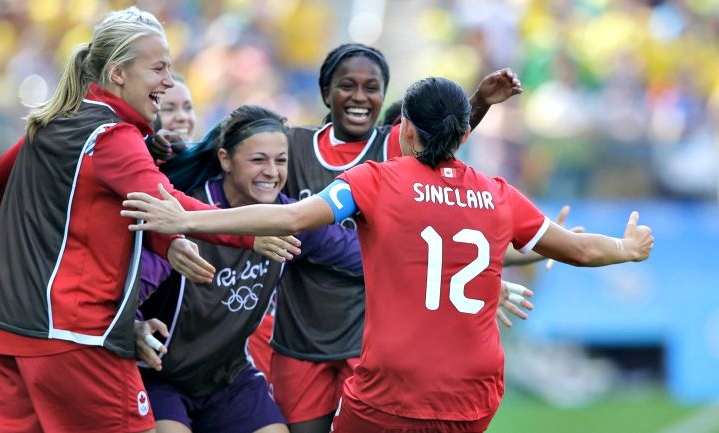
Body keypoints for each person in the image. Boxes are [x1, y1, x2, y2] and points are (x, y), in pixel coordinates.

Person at [121, 76, 653, 433]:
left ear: (404, 129)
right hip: (475, 391)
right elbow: (581, 249)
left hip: (390, 390)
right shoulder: (498, 194)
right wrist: (627, 249)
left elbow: (289, 217)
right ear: (465, 133)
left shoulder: (376, 181)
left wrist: (184, 219)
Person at [0, 8, 298, 433]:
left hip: (3, 333)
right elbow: (168, 204)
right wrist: (249, 233)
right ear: (119, 73)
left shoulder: (55, 122)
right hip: (76, 339)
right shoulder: (113, 137)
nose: (168, 80)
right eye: (159, 68)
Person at [274, 43, 523, 433]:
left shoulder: (390, 150)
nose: (360, 96)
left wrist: (480, 101)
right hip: (301, 334)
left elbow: (441, 138)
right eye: (347, 85)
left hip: (368, 343)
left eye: (372, 87)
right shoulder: (292, 146)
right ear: (326, 92)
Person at [135, 105, 365, 433]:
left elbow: (359, 255)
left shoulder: (291, 218)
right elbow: (134, 282)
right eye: (258, 160)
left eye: (280, 160)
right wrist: (134, 326)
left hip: (230, 380)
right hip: (162, 377)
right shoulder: (187, 212)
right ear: (225, 160)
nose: (271, 171)